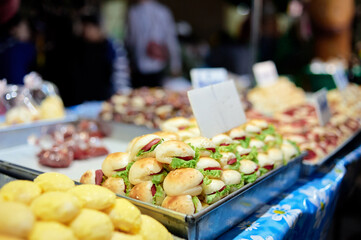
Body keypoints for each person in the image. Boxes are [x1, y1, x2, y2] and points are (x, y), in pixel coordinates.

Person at [125, 0, 182, 88]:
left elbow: (170, 38)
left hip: (154, 64)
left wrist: (175, 64)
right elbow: (131, 39)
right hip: (141, 66)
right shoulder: (134, 12)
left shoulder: (161, 11)